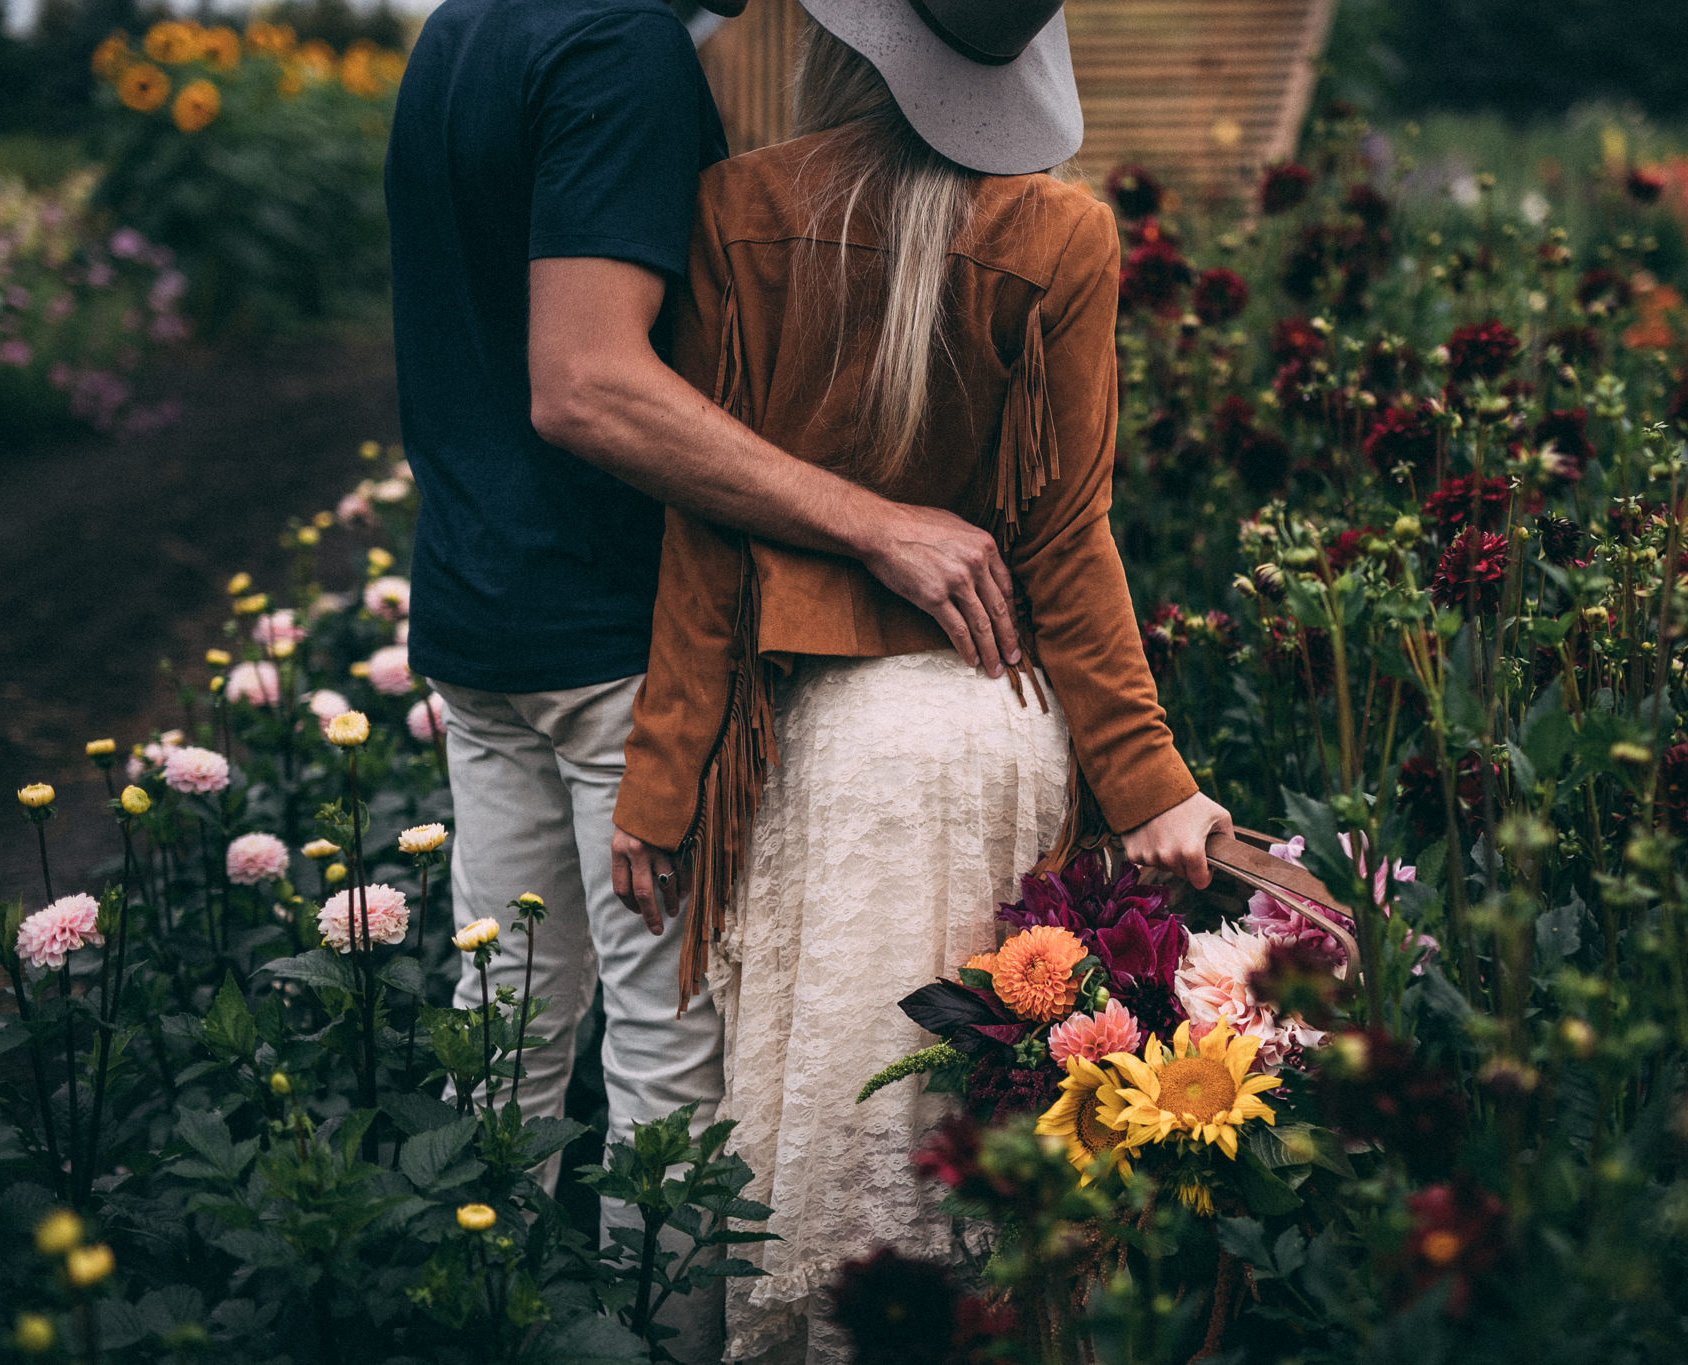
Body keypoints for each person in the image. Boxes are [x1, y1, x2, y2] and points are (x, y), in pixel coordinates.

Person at [383, 0, 1026, 1322]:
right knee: (667, 1067)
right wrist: (875, 520)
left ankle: (464, 1315)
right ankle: (656, 1346)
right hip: (611, 634)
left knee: (501, 1027)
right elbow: (584, 382)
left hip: (480, 612)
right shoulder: (620, 48)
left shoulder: (465, 24)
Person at [614, 1, 1231, 1357]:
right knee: (986, 1110)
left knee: (832, 1108)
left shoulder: (737, 210)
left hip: (824, 742)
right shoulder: (1060, 235)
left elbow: (705, 537)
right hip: (995, 726)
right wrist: (1155, 787)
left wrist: (661, 783)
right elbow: (1069, 546)